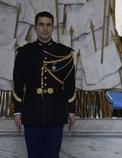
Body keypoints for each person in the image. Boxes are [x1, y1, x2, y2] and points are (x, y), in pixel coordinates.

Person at [12, 11, 76, 158]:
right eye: (41, 24)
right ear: (36, 27)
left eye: (48, 25)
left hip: (56, 112)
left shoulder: (64, 52)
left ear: (53, 27)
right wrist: (17, 111)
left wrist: (71, 110)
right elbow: (18, 83)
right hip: (31, 112)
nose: (45, 28)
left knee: (52, 155)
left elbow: (70, 84)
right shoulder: (24, 52)